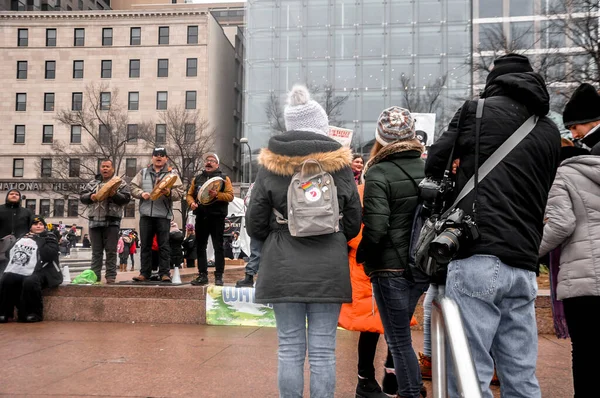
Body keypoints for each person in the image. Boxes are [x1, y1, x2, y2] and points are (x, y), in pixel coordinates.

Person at [425, 53, 561, 397]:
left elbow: (436, 161)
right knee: (521, 373)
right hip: (524, 261)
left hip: (477, 251)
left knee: (469, 373)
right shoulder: (548, 130)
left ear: (494, 80)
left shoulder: (476, 111)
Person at [247, 84, 361, 398]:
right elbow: (353, 221)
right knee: (324, 351)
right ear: (322, 128)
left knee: (289, 348)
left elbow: (255, 224)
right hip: (328, 266)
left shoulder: (270, 166)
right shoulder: (339, 166)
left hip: (282, 266)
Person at [357, 106, 428, 398]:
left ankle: (411, 392)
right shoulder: (428, 168)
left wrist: (363, 255)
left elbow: (376, 227)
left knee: (398, 340)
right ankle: (411, 389)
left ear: (380, 137)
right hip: (422, 264)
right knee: (401, 338)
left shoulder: (378, 172)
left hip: (389, 268)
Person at [538, 121, 600, 398]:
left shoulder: (563, 175)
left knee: (585, 349)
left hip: (583, 276)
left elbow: (560, 224)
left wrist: (528, 251)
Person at [338, 183, 396, 398]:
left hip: (369, 259)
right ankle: (374, 379)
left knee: (378, 324)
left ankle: (377, 378)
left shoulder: (364, 188)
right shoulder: (363, 190)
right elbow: (353, 226)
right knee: (373, 323)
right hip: (372, 261)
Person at [130, 148, 184, 283]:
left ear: (166, 158)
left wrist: (168, 193)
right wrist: (141, 193)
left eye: (162, 155)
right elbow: (132, 187)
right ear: (152, 158)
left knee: (164, 245)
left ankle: (165, 273)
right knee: (145, 245)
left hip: (163, 215)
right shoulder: (143, 172)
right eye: (156, 155)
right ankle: (144, 273)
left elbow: (180, 193)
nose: (158, 157)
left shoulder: (172, 174)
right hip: (146, 214)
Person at [0, 216, 62, 323]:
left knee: (30, 281)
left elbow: (49, 255)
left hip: (44, 271)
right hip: (22, 268)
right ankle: (5, 313)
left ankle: (32, 313)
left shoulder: (49, 237)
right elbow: (9, 253)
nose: (38, 226)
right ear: (30, 227)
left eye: (41, 224)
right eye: (35, 224)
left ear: (44, 226)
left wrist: (37, 240)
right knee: (6, 278)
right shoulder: (22, 237)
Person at [187, 152, 234, 286]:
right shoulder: (197, 179)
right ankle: (202, 275)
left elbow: (230, 196)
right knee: (200, 246)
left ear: (217, 164)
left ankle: (219, 276)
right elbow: (189, 195)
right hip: (201, 216)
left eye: (212, 160)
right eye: (207, 160)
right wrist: (191, 203)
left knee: (218, 246)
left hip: (217, 217)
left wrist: (217, 195)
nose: (209, 162)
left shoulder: (224, 178)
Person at [80, 159, 131, 284]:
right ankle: (95, 276)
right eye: (103, 166)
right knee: (96, 252)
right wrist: (90, 196)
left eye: (107, 166)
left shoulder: (121, 183)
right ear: (100, 168)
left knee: (111, 251)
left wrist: (114, 194)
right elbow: (82, 197)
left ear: (112, 169)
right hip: (94, 221)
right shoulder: (92, 183)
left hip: (112, 222)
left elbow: (126, 199)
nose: (105, 169)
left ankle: (111, 277)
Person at [236, 183, 263, 288]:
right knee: (256, 251)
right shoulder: (257, 184)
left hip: (266, 222)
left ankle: (253, 276)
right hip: (260, 221)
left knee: (260, 251)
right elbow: (247, 200)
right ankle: (250, 276)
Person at [0, 189, 33, 273]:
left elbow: (31, 227)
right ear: (7, 196)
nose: (14, 195)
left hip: (21, 247)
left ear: (20, 197)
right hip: (2, 246)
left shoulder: (26, 212)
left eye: (17, 194)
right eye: (11, 194)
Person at [562, 83, 600, 154]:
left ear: (590, 119)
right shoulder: (592, 147)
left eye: (574, 127)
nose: (574, 135)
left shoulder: (596, 149)